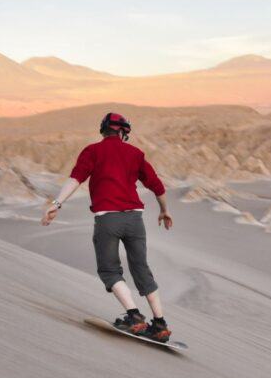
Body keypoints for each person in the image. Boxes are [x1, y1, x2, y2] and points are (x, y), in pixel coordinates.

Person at [41, 112, 175, 341]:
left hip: (108, 220)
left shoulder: (93, 151)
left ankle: (134, 316)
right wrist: (164, 210)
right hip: (135, 219)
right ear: (123, 132)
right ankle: (160, 324)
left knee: (109, 270)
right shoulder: (136, 154)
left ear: (104, 131)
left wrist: (57, 204)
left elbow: (76, 179)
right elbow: (157, 186)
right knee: (141, 269)